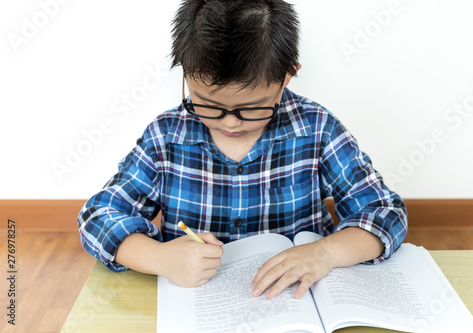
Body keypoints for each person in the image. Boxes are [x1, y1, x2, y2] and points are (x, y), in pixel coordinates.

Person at [77, 0, 407, 301]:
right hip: (198, 304)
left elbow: (386, 212)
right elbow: (97, 217)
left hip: (297, 302)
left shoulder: (317, 129)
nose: (230, 123)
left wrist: (326, 253)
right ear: (185, 74)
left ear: (288, 75)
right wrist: (160, 258)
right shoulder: (166, 137)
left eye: (251, 109)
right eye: (207, 105)